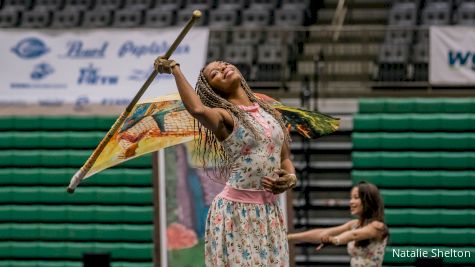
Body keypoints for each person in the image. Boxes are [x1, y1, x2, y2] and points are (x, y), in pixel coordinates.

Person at [154, 58, 298, 266]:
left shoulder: (269, 111)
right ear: (214, 91)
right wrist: (175, 70)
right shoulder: (225, 116)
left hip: (269, 211)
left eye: (223, 64)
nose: (222, 69)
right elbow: (198, 110)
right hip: (236, 211)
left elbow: (284, 158)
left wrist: (291, 178)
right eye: (215, 74)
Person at [287, 181, 389, 267]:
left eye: (356, 197)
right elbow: (324, 233)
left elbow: (354, 235)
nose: (351, 202)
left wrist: (335, 240)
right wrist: (290, 237)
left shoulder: (378, 227)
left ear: (368, 201)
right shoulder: (353, 225)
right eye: (351, 198)